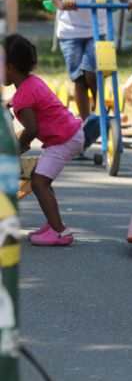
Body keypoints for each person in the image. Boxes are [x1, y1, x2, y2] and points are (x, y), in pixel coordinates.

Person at [5, 34, 83, 246]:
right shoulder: (30, 83)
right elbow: (27, 99)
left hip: (63, 139)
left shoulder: (24, 96)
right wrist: (10, 103)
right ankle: (53, 221)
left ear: (10, 68)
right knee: (44, 179)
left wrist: (20, 147)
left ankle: (60, 232)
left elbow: (32, 128)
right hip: (68, 133)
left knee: (39, 182)